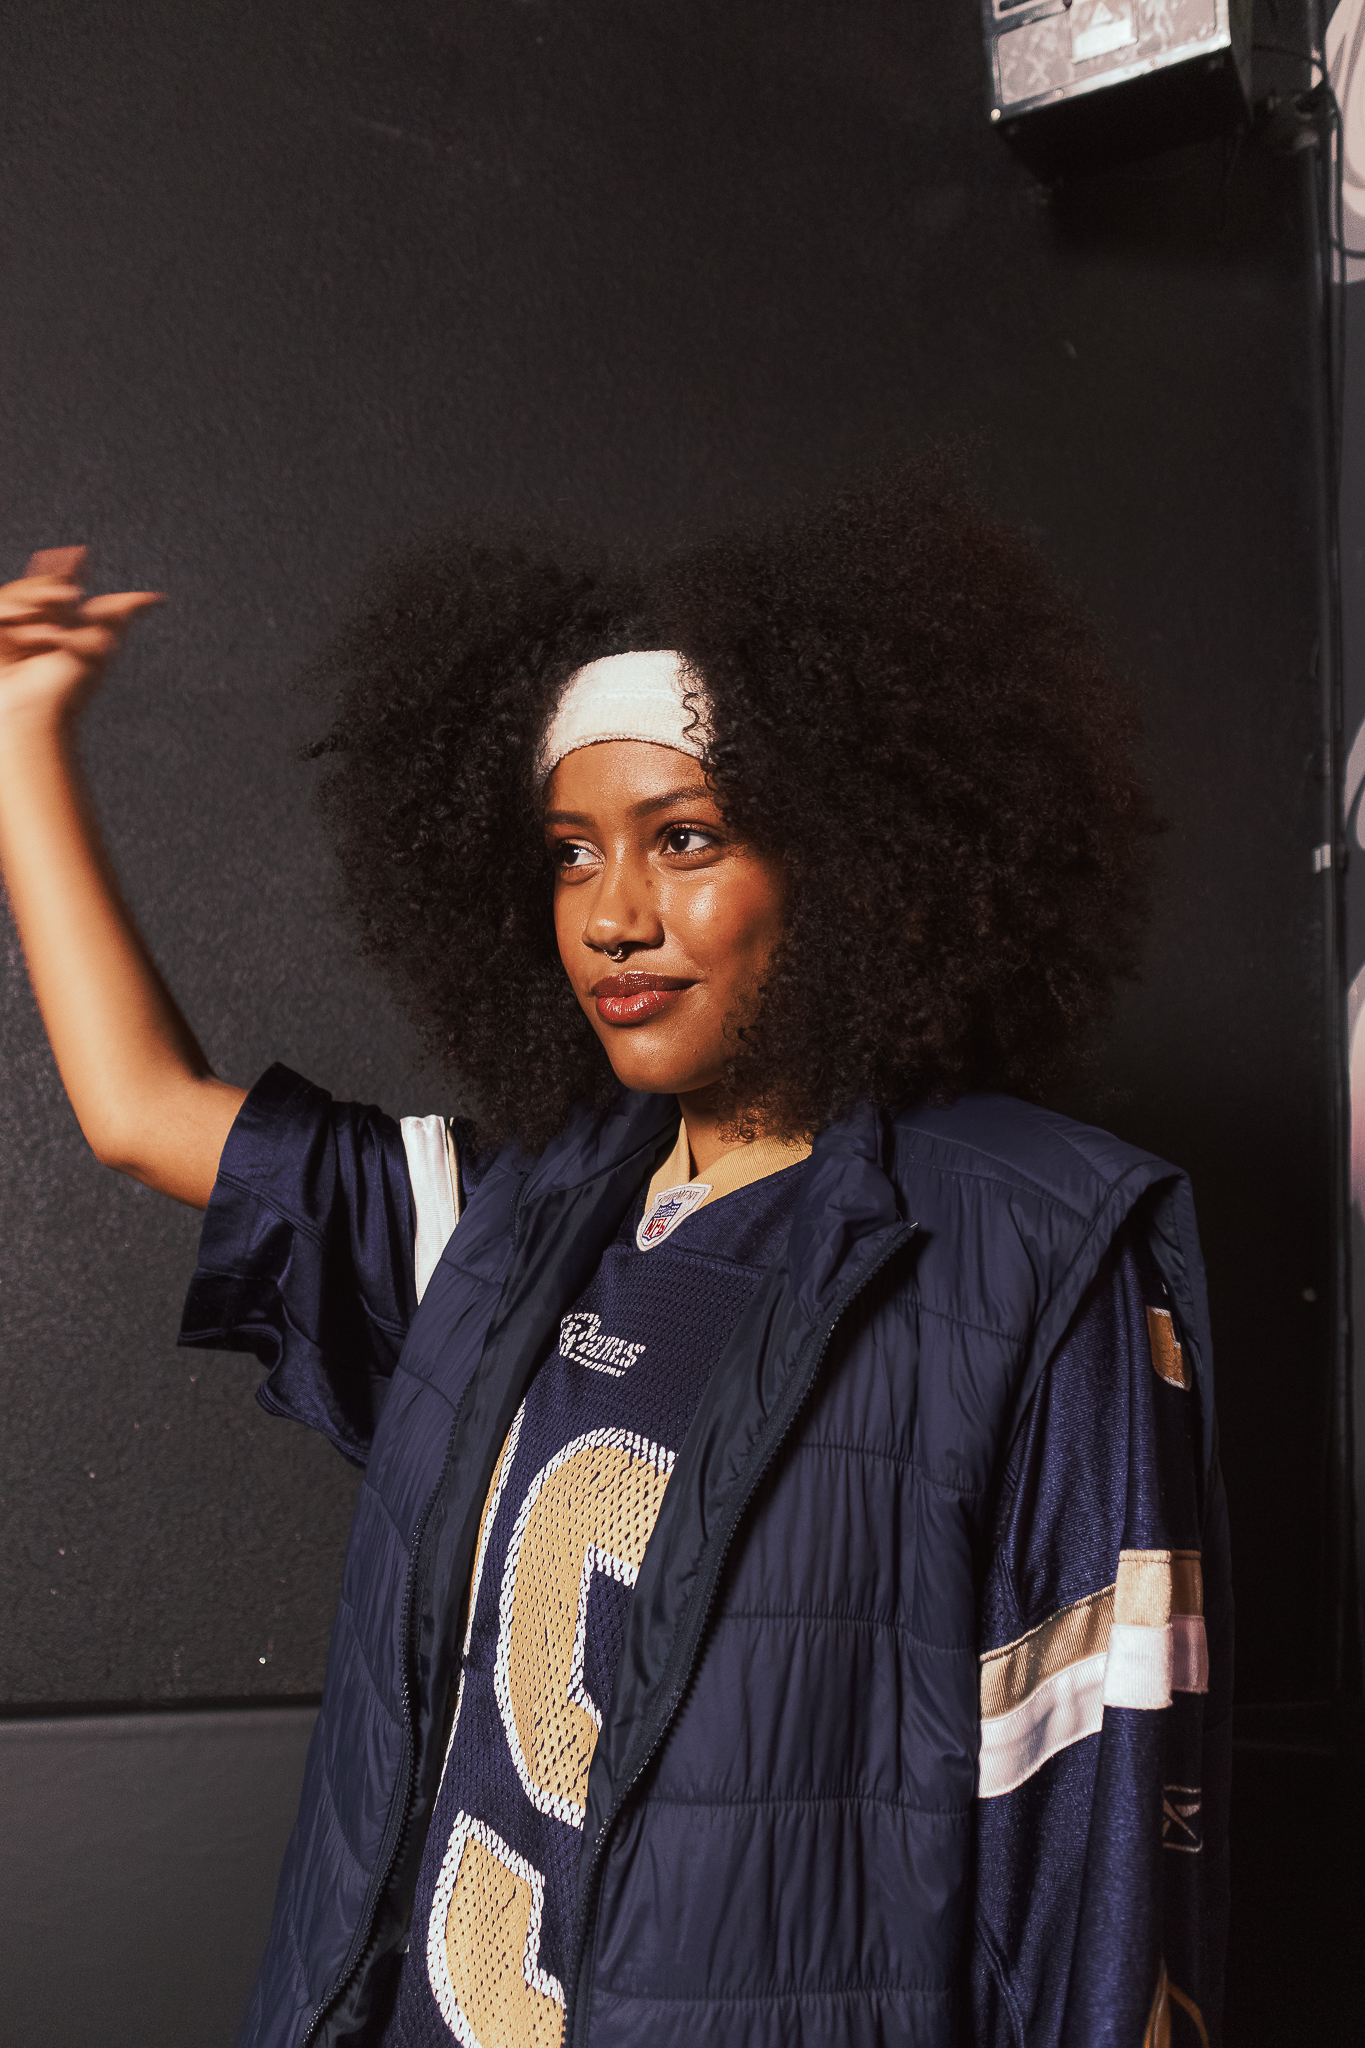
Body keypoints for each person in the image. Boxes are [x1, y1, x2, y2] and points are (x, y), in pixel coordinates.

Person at [0, 464, 1230, 2048]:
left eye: (686, 839)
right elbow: (140, 1112)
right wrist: (21, 742)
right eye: (572, 851)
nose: (613, 916)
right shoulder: (519, 1222)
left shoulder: (1022, 1251)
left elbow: (1094, 1851)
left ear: (849, 864)